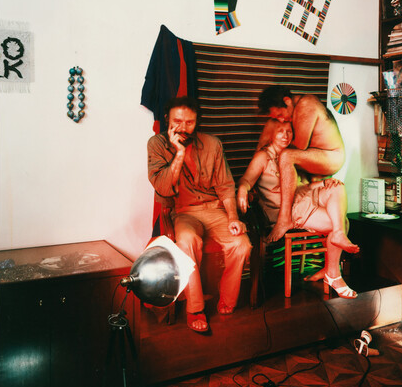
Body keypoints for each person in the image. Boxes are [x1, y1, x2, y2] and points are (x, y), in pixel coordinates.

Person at [147, 96, 251, 333]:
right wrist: (179, 154)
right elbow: (163, 187)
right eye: (177, 121)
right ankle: (195, 308)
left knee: (242, 244)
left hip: (215, 210)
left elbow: (225, 186)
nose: (183, 128)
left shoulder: (212, 144)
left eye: (189, 122)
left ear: (197, 122)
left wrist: (234, 217)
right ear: (167, 119)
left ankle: (227, 299)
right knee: (186, 241)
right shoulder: (156, 144)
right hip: (183, 212)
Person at [237, 122, 359, 299]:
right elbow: (246, 180)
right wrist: (242, 189)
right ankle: (333, 273)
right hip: (285, 210)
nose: (285, 135)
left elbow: (302, 186)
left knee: (337, 187)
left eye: (289, 132)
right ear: (271, 134)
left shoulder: (292, 153)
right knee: (341, 222)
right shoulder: (262, 157)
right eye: (280, 132)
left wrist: (324, 183)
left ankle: (330, 268)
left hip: (303, 198)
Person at [257, 86, 345, 243]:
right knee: (273, 132)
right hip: (314, 156)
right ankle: (332, 267)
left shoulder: (306, 104)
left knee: (286, 156)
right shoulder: (290, 112)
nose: (281, 120)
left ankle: (284, 219)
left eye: (280, 114)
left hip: (331, 155)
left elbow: (299, 146)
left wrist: (273, 150)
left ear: (287, 101)